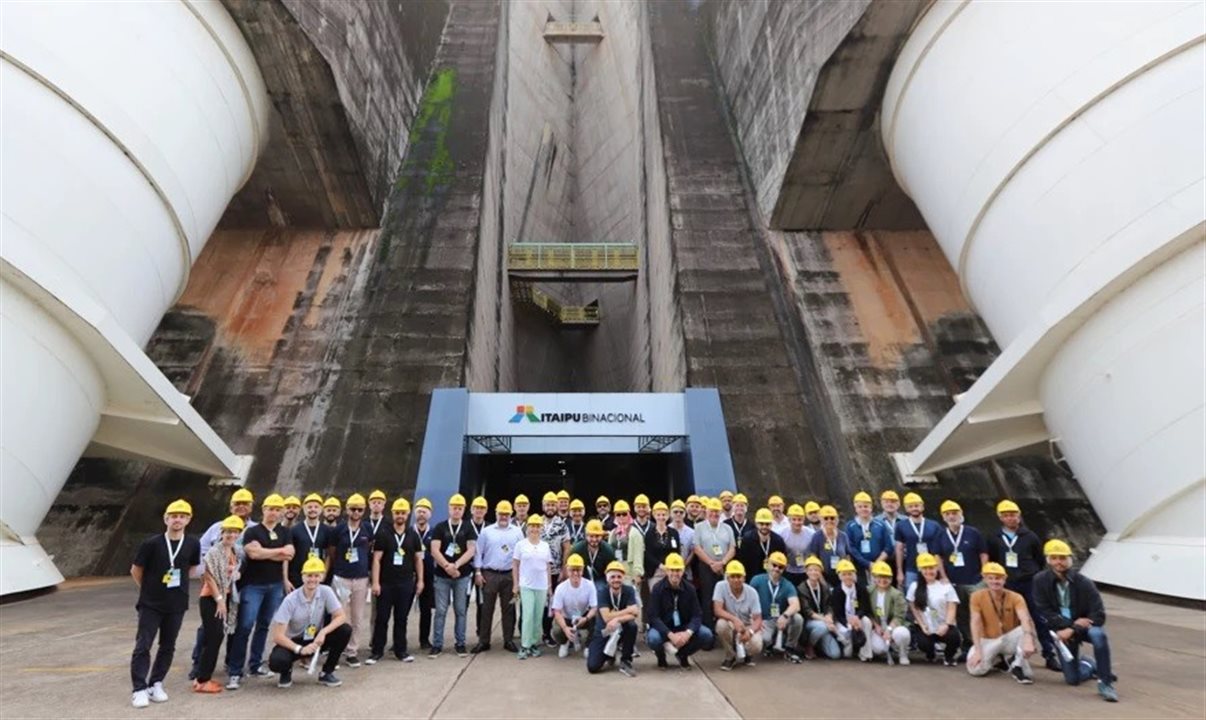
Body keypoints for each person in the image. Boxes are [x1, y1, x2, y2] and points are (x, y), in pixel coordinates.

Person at [129, 499, 201, 708]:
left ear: (188, 519)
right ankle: (139, 688)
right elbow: (136, 570)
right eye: (173, 516)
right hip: (151, 603)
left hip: (176, 604)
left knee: (168, 646)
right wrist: (150, 589)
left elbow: (192, 569)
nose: (177, 519)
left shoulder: (192, 543)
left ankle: (156, 683)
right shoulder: (151, 543)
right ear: (166, 519)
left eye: (182, 516)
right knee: (143, 645)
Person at [1033, 539, 1118, 702]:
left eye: (1063, 558)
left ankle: (1105, 683)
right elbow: (1044, 611)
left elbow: (1099, 615)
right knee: (1072, 679)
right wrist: (1069, 626)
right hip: (1060, 630)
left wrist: (1073, 628)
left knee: (1099, 635)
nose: (1059, 562)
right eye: (1055, 557)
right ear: (1048, 560)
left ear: (1070, 560)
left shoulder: (1084, 583)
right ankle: (1089, 665)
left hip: (1081, 629)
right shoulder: (1040, 581)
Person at [226, 493, 293, 690]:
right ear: (263, 509)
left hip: (275, 585)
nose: (274, 512)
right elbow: (253, 554)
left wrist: (267, 553)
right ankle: (235, 671)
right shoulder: (252, 531)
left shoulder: (285, 532)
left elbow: (289, 554)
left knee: (264, 625)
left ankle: (255, 665)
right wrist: (277, 552)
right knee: (245, 627)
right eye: (271, 508)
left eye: (278, 509)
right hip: (253, 585)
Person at [189, 488, 255, 682]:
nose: (241, 506)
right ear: (231, 506)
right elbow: (200, 550)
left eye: (245, 503)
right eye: (237, 503)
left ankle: (230, 662)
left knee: (235, 625)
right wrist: (207, 574)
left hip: (241, 586)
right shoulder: (216, 527)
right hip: (216, 587)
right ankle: (198, 665)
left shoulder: (255, 529)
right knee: (209, 628)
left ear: (252, 506)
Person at [987, 499, 1057, 669]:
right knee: (1008, 621)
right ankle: (1007, 655)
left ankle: (1049, 654)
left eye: (1013, 515)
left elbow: (1039, 559)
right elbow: (994, 559)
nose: (1010, 518)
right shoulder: (994, 538)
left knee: (1039, 619)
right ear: (1000, 518)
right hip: (1008, 584)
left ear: (1018, 516)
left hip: (1029, 583)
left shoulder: (1030, 536)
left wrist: (1030, 572)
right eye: (1006, 516)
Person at [266, 557, 351, 688]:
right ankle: (286, 671)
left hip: (316, 638)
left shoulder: (326, 591)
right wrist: (300, 649)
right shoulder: (290, 600)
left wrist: (323, 632)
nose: (313, 579)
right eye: (309, 576)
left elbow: (341, 616)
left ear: (321, 577)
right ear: (303, 577)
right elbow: (277, 636)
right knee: (277, 661)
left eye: (317, 576)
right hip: (295, 641)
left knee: (344, 630)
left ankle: (327, 672)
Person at [369, 498, 424, 664]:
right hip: (386, 583)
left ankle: (401, 651)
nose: (400, 515)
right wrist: (376, 582)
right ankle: (377, 651)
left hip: (406, 583)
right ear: (392, 514)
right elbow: (377, 559)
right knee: (382, 618)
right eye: (397, 513)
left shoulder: (413, 535)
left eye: (403, 513)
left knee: (401, 618)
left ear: (408, 514)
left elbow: (417, 560)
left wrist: (420, 580)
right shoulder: (383, 533)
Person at [193, 515, 242, 694]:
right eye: (228, 531)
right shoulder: (215, 551)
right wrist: (219, 600)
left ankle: (201, 677)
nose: (231, 535)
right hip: (211, 599)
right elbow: (209, 576)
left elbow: (231, 571)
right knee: (214, 638)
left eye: (235, 532)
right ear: (222, 533)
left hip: (225, 596)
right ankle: (203, 680)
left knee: (210, 638)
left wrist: (235, 575)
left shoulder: (234, 551)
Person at [967, 562, 1039, 684]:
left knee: (1027, 628)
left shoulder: (1016, 597)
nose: (995, 581)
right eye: (991, 578)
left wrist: (1028, 639)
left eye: (998, 578)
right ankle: (1000, 659)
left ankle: (1017, 665)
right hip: (988, 639)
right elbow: (975, 623)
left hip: (1008, 638)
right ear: (985, 579)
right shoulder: (976, 596)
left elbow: (1025, 618)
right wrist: (978, 651)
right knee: (975, 669)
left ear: (1004, 579)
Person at [934, 499, 987, 661]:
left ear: (961, 514)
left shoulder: (973, 532)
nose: (951, 516)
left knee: (979, 612)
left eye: (954, 513)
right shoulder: (941, 535)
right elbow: (938, 556)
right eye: (948, 514)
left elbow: (983, 552)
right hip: (954, 581)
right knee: (962, 615)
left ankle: (985, 644)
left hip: (975, 580)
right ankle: (968, 645)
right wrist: (943, 576)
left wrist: (984, 570)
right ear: (943, 517)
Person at [428, 493, 476, 658]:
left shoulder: (468, 527)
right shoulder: (440, 527)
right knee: (440, 610)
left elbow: (471, 549)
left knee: (460, 610)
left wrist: (456, 565)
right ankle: (437, 644)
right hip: (442, 576)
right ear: (449, 509)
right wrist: (447, 566)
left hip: (461, 576)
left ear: (464, 510)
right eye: (454, 507)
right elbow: (434, 549)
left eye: (460, 508)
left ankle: (460, 643)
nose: (457, 511)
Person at [472, 500, 523, 654]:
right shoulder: (487, 531)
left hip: (509, 575)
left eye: (506, 514)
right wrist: (478, 572)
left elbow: (521, 554)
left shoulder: (517, 532)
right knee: (486, 609)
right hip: (490, 574)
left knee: (509, 609)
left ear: (510, 515)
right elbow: (478, 552)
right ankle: (483, 641)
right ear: (496, 514)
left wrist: (518, 578)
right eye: (501, 513)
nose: (503, 517)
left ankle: (508, 640)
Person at [328, 492, 372, 667]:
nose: (356, 512)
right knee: (339, 617)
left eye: (359, 509)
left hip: (360, 578)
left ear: (363, 511)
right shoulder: (338, 529)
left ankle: (352, 651)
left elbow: (368, 547)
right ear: (347, 510)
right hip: (341, 577)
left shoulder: (367, 528)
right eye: (353, 509)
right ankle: (336, 651)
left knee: (357, 617)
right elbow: (332, 551)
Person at [647, 553, 712, 669]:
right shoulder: (657, 589)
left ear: (683, 571)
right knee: (653, 638)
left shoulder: (690, 589)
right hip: (664, 629)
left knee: (706, 634)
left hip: (683, 627)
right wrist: (670, 635)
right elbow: (653, 617)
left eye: (678, 570)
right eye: (672, 570)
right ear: (666, 571)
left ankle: (683, 654)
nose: (675, 574)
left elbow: (697, 615)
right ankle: (661, 657)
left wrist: (688, 633)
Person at [907, 553, 961, 665]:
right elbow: (914, 608)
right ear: (920, 570)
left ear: (936, 568)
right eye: (925, 569)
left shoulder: (946, 586)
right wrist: (922, 625)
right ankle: (930, 653)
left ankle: (949, 656)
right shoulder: (914, 586)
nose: (928, 572)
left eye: (931, 568)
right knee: (923, 643)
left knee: (954, 637)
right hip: (926, 626)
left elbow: (952, 608)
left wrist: (947, 625)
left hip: (943, 625)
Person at [587, 561, 639, 676]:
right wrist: (627, 610)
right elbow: (606, 617)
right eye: (613, 577)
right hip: (605, 631)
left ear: (623, 577)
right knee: (592, 667)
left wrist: (618, 619)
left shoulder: (629, 590)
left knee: (632, 625)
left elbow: (635, 613)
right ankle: (610, 653)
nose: (616, 580)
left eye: (619, 576)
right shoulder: (602, 592)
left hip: (621, 628)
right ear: (607, 578)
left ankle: (626, 660)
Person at [513, 514, 553, 658]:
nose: (534, 529)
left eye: (537, 526)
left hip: (541, 586)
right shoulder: (521, 545)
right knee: (528, 615)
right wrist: (515, 584)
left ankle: (534, 644)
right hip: (526, 585)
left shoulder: (545, 546)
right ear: (527, 528)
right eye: (532, 526)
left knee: (537, 616)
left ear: (541, 528)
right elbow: (515, 565)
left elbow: (548, 566)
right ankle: (525, 645)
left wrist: (549, 587)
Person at [750, 551, 802, 662]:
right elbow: (749, 602)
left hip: (780, 619)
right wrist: (754, 620)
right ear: (768, 564)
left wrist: (785, 615)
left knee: (798, 618)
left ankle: (789, 649)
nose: (777, 569)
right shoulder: (757, 580)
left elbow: (796, 605)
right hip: (764, 620)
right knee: (764, 638)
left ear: (784, 569)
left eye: (781, 567)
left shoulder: (788, 585)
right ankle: (770, 645)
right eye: (774, 565)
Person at [692, 498, 737, 630]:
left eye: (717, 512)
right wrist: (711, 563)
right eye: (711, 511)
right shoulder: (699, 527)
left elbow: (732, 548)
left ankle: (724, 628)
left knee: (725, 597)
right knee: (707, 598)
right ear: (706, 512)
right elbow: (697, 548)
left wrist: (722, 563)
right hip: (706, 566)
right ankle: (708, 630)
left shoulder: (727, 528)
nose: (714, 514)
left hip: (724, 566)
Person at [713, 560, 762, 670]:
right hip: (730, 623)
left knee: (757, 645)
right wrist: (734, 619)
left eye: (739, 576)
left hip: (747, 624)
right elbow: (717, 610)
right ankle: (730, 656)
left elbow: (758, 619)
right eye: (733, 576)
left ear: (744, 578)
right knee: (720, 625)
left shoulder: (752, 592)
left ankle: (748, 654)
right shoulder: (720, 586)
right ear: (727, 578)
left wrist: (750, 632)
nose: (736, 579)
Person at [538, 491, 571, 646]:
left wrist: (564, 569)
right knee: (539, 603)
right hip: (538, 571)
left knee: (552, 604)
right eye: (547, 504)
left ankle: (547, 632)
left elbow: (566, 548)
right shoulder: (536, 522)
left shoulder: (562, 525)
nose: (550, 507)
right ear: (543, 505)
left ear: (557, 506)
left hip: (556, 571)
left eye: (553, 504)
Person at [551, 554, 598, 658]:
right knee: (556, 630)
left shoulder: (590, 585)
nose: (576, 573)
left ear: (582, 570)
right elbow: (556, 611)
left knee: (597, 618)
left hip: (583, 616)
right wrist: (564, 628)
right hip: (567, 617)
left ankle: (588, 645)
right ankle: (565, 642)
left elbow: (594, 607)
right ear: (567, 570)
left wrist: (586, 618)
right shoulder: (560, 588)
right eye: (572, 570)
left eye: (579, 570)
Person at [864, 560, 911, 665]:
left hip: (893, 625)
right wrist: (876, 626)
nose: (882, 580)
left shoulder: (896, 594)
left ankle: (902, 653)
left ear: (890, 579)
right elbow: (867, 612)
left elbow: (899, 616)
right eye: (879, 577)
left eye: (886, 577)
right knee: (878, 649)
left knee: (902, 634)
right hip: (878, 627)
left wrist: (889, 630)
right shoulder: (869, 591)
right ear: (874, 578)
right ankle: (888, 649)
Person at [894, 492, 942, 591]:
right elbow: (899, 549)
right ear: (906, 509)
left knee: (933, 593)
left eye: (916, 505)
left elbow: (940, 549)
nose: (914, 508)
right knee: (911, 596)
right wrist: (900, 571)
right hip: (911, 568)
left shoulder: (934, 525)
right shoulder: (901, 525)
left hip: (931, 568)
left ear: (922, 507)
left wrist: (940, 570)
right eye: (910, 506)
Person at [797, 556, 840, 660]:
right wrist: (825, 620)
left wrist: (829, 616)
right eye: (811, 570)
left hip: (823, 621)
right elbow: (806, 611)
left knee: (835, 654)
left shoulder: (824, 587)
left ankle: (818, 644)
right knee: (823, 627)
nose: (814, 572)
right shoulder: (801, 588)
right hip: (810, 621)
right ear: (806, 572)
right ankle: (809, 646)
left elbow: (829, 605)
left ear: (820, 572)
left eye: (816, 570)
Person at [847, 491, 891, 587]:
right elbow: (851, 547)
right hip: (860, 566)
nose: (863, 509)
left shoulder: (880, 524)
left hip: (879, 564)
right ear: (855, 508)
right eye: (860, 506)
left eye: (866, 506)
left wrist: (877, 563)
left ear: (871, 508)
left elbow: (888, 546)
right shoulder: (850, 526)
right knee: (863, 592)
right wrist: (867, 563)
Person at [828, 559, 870, 659]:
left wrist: (858, 617)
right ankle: (847, 644)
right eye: (844, 574)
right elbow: (838, 613)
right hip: (843, 620)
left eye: (850, 574)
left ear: (854, 575)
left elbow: (865, 606)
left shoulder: (861, 588)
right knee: (848, 654)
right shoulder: (837, 591)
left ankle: (866, 653)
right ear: (840, 576)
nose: (848, 577)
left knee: (867, 621)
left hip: (857, 618)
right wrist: (849, 623)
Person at [289, 493, 332, 589]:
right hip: (298, 576)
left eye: (316, 507)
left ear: (321, 509)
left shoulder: (327, 530)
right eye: (309, 507)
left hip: (317, 576)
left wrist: (324, 572)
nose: (312, 509)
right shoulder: (294, 530)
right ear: (304, 509)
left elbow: (329, 554)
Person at [739, 508, 788, 580]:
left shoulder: (778, 541)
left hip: (772, 579)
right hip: (751, 578)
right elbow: (743, 562)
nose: (764, 527)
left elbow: (783, 562)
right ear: (756, 524)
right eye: (761, 524)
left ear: (772, 524)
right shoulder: (747, 539)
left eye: (767, 524)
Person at [808, 505, 852, 585]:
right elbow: (814, 559)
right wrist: (822, 582)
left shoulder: (843, 536)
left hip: (841, 575)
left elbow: (847, 556)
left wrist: (847, 574)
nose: (829, 521)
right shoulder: (817, 537)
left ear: (837, 520)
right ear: (821, 520)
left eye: (832, 518)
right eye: (826, 518)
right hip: (824, 577)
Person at [413, 498, 436, 650]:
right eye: (419, 511)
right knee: (402, 610)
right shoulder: (408, 532)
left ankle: (424, 639)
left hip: (428, 575)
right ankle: (397, 641)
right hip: (409, 575)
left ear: (430, 514)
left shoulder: (434, 533)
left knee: (426, 609)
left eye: (424, 511)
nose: (421, 514)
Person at [643, 502, 681, 591]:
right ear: (654, 516)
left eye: (663, 515)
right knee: (656, 595)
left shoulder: (673, 533)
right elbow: (648, 554)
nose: (661, 517)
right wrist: (660, 565)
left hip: (671, 570)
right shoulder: (649, 534)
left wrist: (670, 565)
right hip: (655, 571)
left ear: (668, 516)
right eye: (658, 515)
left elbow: (677, 551)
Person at [569, 519, 616, 590]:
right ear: (586, 535)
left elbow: (612, 571)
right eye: (591, 536)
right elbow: (570, 568)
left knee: (600, 589)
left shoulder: (608, 550)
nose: (594, 539)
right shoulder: (577, 549)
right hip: (581, 579)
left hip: (601, 580)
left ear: (601, 536)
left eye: (597, 536)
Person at [608, 500, 645, 589]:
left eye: (624, 514)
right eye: (618, 514)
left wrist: (637, 574)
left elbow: (638, 555)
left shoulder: (635, 533)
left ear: (628, 514)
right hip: (615, 571)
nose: (621, 517)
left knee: (633, 600)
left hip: (629, 573)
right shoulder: (613, 532)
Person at [780, 504, 814, 588]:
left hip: (805, 570)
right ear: (789, 520)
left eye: (799, 520)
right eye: (794, 519)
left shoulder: (811, 533)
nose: (797, 522)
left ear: (804, 520)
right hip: (788, 570)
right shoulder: (782, 534)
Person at [669, 500, 695, 566]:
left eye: (681, 512)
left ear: (685, 514)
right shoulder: (666, 530)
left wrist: (684, 565)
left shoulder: (691, 532)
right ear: (670, 513)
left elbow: (693, 551)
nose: (678, 514)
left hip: (686, 570)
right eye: (675, 512)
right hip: (669, 570)